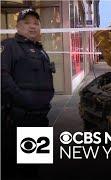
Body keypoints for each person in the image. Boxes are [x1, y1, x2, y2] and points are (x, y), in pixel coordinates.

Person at [1, 8, 55, 179]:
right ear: (18, 26)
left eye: (36, 23)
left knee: (33, 169)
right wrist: (23, 99)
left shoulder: (41, 51)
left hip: (40, 119)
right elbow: (2, 76)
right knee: (15, 170)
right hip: (18, 119)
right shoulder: (9, 46)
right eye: (27, 23)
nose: (32, 26)